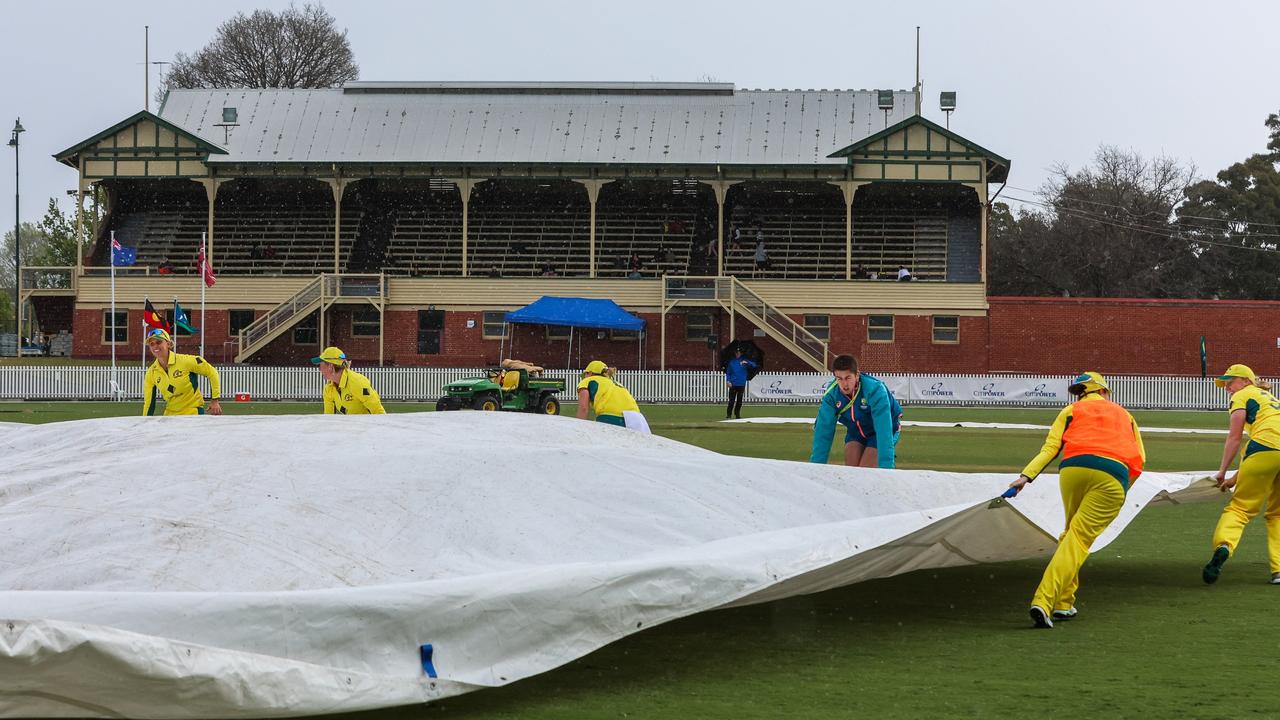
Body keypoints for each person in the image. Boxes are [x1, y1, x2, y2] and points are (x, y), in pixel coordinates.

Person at [1006, 372, 1145, 628]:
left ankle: (1064, 603)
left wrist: (1025, 477)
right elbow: (1140, 459)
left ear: (1082, 392)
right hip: (1112, 474)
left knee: (1070, 535)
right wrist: (1123, 486)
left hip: (1072, 470)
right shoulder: (1125, 415)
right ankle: (1044, 601)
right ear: (1104, 391)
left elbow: (1050, 449)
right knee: (1078, 540)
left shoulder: (1071, 410)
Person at [1202, 364, 1280, 586]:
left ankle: (1224, 546)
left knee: (1240, 509)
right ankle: (1278, 570)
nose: (1227, 388)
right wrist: (1235, 478)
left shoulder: (1243, 395)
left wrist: (1222, 471)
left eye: (1230, 382)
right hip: (1270, 451)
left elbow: (1235, 437)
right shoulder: (1270, 399)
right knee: (1277, 515)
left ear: (1246, 381)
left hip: (1263, 450)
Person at [809, 354, 902, 468]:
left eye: (848, 378)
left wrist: (887, 469)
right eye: (839, 379)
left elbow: (884, 431)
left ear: (857, 375)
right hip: (856, 432)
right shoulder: (831, 395)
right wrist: (815, 469)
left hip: (883, 431)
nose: (844, 384)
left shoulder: (875, 390)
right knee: (851, 470)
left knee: (865, 469)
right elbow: (823, 432)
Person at [141, 328, 223, 416]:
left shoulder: (186, 361)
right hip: (169, 416)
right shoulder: (151, 372)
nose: (155, 346)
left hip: (193, 413)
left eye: (158, 342)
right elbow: (149, 403)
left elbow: (212, 372)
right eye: (151, 344)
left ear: (168, 344)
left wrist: (215, 400)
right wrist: (145, 422)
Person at [576, 360, 650, 433]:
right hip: (638, 419)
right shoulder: (617, 383)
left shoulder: (587, 380)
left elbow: (583, 408)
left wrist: (579, 429)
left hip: (611, 417)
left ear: (589, 373)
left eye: (585, 374)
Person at [311, 346, 386, 415]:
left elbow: (378, 412)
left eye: (321, 365)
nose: (320, 369)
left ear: (330, 366)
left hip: (369, 427)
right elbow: (328, 418)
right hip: (350, 427)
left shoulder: (358, 383)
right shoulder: (328, 389)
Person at [724, 348, 757, 419]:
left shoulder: (745, 361)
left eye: (738, 352)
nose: (737, 354)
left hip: (741, 384)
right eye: (736, 352)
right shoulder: (732, 362)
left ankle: (737, 414)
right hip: (733, 384)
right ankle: (729, 414)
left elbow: (754, 365)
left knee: (739, 401)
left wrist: (748, 363)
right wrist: (728, 381)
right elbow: (728, 373)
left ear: (741, 353)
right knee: (731, 401)